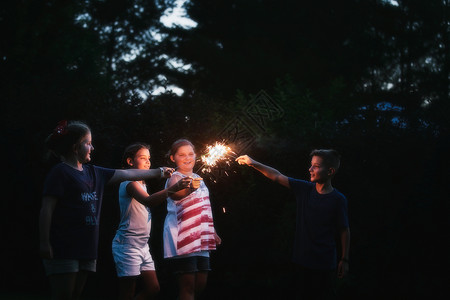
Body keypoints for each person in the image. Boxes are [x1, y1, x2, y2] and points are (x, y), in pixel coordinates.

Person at [39, 120, 175, 300]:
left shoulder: (95, 172)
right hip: (64, 245)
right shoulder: (60, 173)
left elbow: (127, 173)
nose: (92, 147)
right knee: (64, 295)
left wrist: (159, 172)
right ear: (75, 148)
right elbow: (47, 209)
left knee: (75, 294)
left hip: (87, 246)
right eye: (88, 143)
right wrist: (44, 242)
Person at [236, 149, 350, 300]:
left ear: (330, 171)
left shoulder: (338, 199)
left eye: (316, 166)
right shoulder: (304, 189)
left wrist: (344, 259)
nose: (310, 169)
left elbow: (344, 230)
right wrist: (253, 163)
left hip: (324, 264)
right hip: (300, 261)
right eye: (311, 165)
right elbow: (277, 176)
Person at [112, 143, 192, 300]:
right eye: (143, 158)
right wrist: (174, 188)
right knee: (127, 293)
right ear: (130, 161)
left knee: (153, 288)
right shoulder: (129, 182)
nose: (148, 162)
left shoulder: (142, 183)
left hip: (142, 245)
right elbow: (149, 201)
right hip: (127, 245)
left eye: (149, 158)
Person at [163, 139, 222, 300]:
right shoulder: (175, 177)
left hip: (202, 237)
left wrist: (213, 232)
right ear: (173, 158)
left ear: (196, 156)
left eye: (190, 154)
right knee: (187, 287)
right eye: (181, 155)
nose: (187, 158)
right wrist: (190, 189)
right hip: (183, 236)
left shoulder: (198, 178)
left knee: (200, 285)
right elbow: (176, 194)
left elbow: (204, 208)